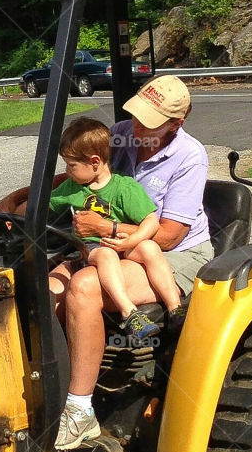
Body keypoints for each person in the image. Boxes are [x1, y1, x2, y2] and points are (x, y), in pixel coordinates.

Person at [0, 75, 210, 452]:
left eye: (149, 124)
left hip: (170, 252)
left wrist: (105, 226)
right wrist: (15, 201)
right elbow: (80, 174)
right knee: (44, 288)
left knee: (85, 286)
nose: (137, 128)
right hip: (107, 246)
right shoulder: (122, 133)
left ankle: (80, 412)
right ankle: (38, 393)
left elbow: (169, 234)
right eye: (137, 117)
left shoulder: (190, 157)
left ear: (177, 124)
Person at [49, 117, 182, 343]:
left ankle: (176, 309)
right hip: (91, 248)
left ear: (94, 162)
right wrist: (17, 211)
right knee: (106, 253)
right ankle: (129, 313)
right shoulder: (70, 188)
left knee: (149, 246)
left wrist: (133, 241)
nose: (67, 171)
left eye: (71, 165)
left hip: (122, 244)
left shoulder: (125, 187)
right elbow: (45, 204)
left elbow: (150, 221)